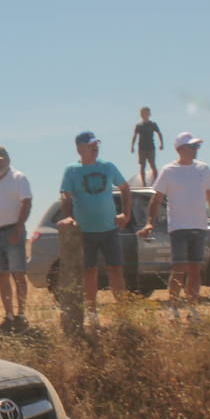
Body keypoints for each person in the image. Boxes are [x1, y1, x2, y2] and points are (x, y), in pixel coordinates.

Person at [139, 132, 210, 317]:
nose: (195, 150)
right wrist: (149, 223)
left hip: (199, 226)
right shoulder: (169, 170)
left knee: (195, 269)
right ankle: (173, 308)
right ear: (180, 149)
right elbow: (157, 198)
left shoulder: (203, 169)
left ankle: (193, 308)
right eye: (192, 147)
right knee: (179, 268)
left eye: (196, 147)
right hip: (178, 227)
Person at [59, 131, 133, 327]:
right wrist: (69, 217)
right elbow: (65, 195)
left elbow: (125, 189)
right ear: (80, 148)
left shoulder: (108, 167)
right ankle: (92, 314)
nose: (95, 147)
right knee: (89, 272)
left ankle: (123, 313)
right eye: (90, 144)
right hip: (85, 231)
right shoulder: (72, 170)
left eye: (96, 144)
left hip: (109, 228)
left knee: (115, 269)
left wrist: (126, 214)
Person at [0, 146, 33, 330]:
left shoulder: (18, 178)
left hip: (13, 232)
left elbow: (27, 202)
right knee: (2, 276)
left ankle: (21, 314)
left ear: (7, 160)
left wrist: (19, 227)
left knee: (18, 273)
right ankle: (8, 316)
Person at [130, 106, 165, 187]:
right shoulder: (139, 125)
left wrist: (161, 144)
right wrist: (132, 146)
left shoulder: (153, 124)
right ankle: (144, 183)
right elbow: (135, 136)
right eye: (142, 113)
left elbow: (159, 133)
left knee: (152, 164)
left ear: (149, 114)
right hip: (141, 147)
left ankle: (157, 182)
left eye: (145, 113)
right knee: (142, 165)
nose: (143, 114)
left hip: (151, 147)